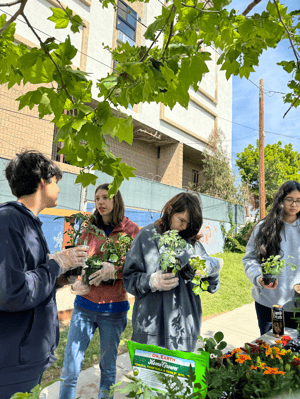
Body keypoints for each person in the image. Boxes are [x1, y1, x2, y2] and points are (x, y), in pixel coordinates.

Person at [0, 150, 88, 399]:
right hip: (12, 362)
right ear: (43, 181)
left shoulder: (29, 223)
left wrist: (61, 277)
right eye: (56, 181)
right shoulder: (8, 221)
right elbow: (11, 291)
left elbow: (32, 278)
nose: (59, 188)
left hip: (28, 357)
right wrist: (56, 264)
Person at [59, 183, 139, 399]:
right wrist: (75, 283)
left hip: (113, 310)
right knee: (70, 368)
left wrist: (116, 272)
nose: (101, 202)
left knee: (108, 368)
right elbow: (77, 262)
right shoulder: (88, 229)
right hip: (84, 306)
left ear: (116, 200)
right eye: (97, 198)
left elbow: (137, 269)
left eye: (106, 197)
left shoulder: (131, 230)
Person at [123, 192, 222, 352]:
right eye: (181, 220)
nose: (183, 227)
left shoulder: (190, 241)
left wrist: (211, 268)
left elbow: (211, 286)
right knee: (150, 376)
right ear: (170, 210)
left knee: (181, 376)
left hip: (183, 330)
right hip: (150, 329)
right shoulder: (146, 236)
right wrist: (150, 281)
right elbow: (129, 279)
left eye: (187, 223)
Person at [243, 181, 300, 336]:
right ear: (281, 200)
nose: (294, 204)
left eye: (299, 200)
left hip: (297, 306)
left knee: (294, 355)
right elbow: (250, 259)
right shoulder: (264, 227)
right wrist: (258, 278)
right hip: (268, 304)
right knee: (270, 352)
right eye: (289, 199)